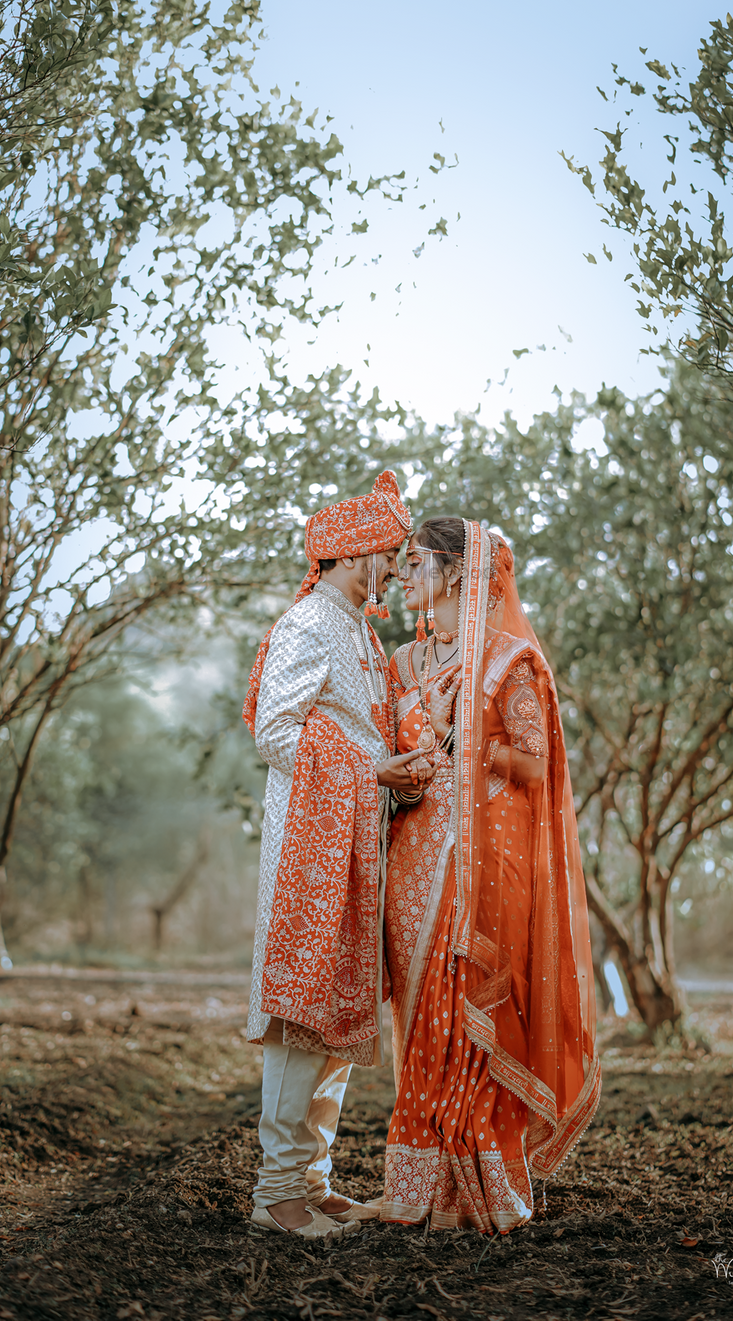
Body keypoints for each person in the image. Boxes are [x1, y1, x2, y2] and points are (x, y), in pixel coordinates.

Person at [381, 517, 601, 1234]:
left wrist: (480, 753)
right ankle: (414, 1190)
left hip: (483, 866)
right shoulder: (402, 664)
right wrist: (404, 782)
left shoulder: (511, 662)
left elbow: (539, 766)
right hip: (411, 859)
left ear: (455, 571)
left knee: (469, 1019)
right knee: (417, 1022)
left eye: (416, 562)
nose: (403, 574)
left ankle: (478, 1190)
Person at [241, 470, 436, 1240]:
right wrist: (371, 771)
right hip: (310, 853)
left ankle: (312, 1182)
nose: (395, 567)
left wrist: (397, 770)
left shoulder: (358, 630)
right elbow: (274, 733)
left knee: (337, 1015)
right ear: (355, 555)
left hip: (355, 842)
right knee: (301, 1013)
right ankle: (275, 1196)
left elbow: (355, 734)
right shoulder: (308, 624)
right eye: (390, 554)